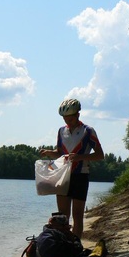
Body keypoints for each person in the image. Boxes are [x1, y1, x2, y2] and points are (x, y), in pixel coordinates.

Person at [39, 99, 104, 238]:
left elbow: (100, 155)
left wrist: (80, 157)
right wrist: (49, 152)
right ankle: (64, 244)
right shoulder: (61, 131)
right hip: (63, 176)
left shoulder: (88, 131)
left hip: (81, 175)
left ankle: (76, 245)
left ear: (78, 115)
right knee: (63, 216)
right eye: (65, 118)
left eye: (70, 118)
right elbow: (60, 153)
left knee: (77, 215)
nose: (68, 121)